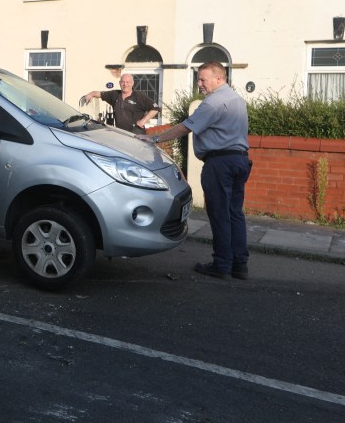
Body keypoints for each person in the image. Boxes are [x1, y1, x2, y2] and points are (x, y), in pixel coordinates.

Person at [141, 61, 251, 280]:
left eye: (203, 79)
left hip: (219, 163)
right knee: (234, 213)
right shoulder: (237, 100)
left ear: (219, 79)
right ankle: (239, 265)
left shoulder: (213, 102)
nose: (199, 83)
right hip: (239, 160)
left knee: (220, 214)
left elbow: (186, 127)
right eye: (198, 79)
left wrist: (155, 138)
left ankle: (221, 264)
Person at [79, 74, 158, 134]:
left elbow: (155, 108)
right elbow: (100, 94)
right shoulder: (115, 94)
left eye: (128, 82)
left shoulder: (139, 96)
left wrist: (143, 121)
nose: (125, 84)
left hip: (136, 134)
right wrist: (90, 94)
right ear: (119, 83)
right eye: (123, 82)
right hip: (120, 134)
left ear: (132, 83)